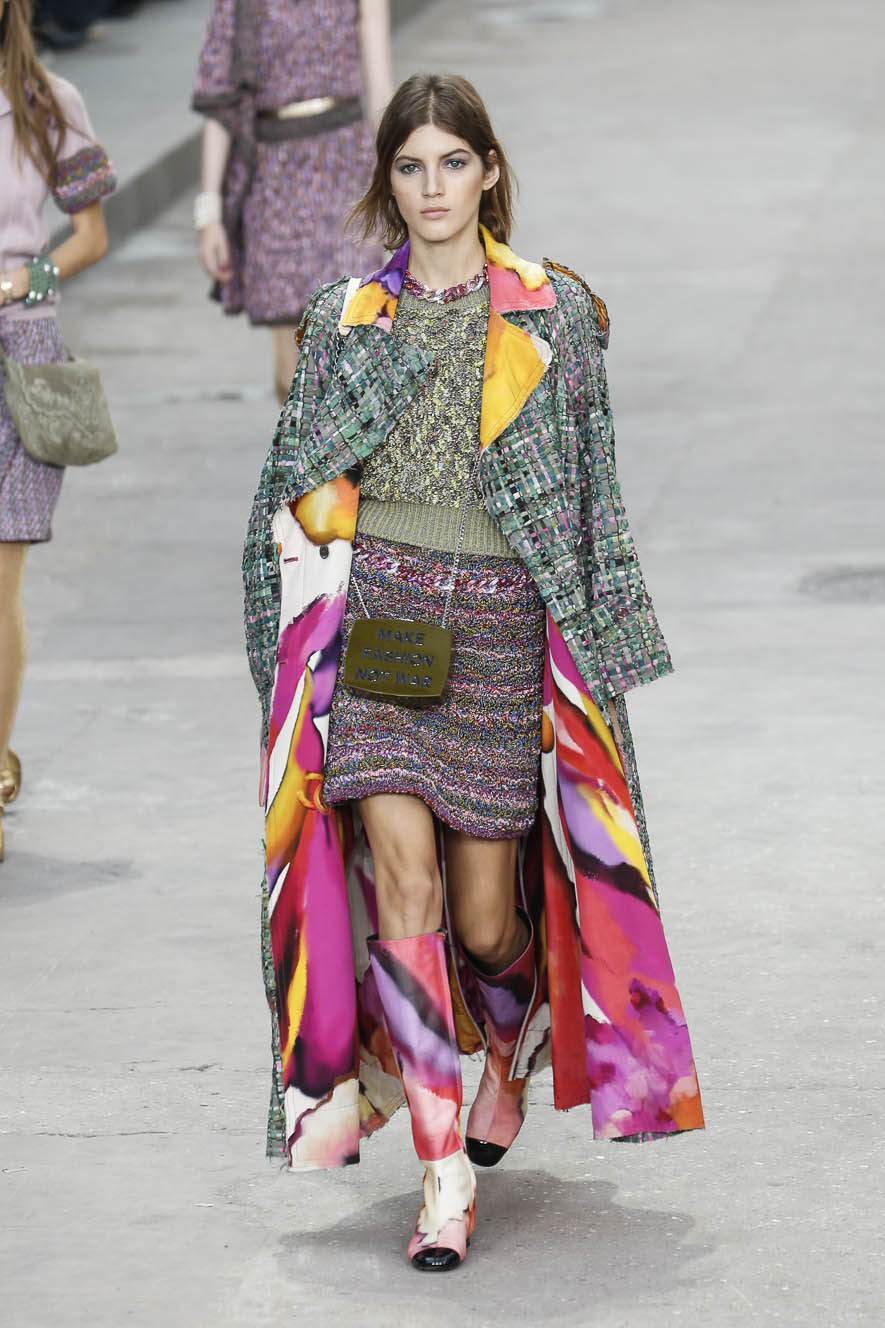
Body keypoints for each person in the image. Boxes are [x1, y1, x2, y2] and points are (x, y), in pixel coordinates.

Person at [242, 73, 705, 1271]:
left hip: (499, 631)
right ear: (387, 181)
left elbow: (593, 497)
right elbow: (289, 487)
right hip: (383, 629)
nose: (433, 187)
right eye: (411, 166)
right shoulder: (349, 316)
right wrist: (282, 664)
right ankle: (442, 1174)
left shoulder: (555, 312)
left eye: (454, 162)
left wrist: (598, 663)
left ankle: (512, 1030)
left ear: (489, 171)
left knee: (489, 915)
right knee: (403, 879)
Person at [0, 0, 115, 861]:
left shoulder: (49, 101)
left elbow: (90, 235)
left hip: (23, 356)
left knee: (1, 574)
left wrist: (21, 281)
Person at [191, 0, 393, 404]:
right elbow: (221, 104)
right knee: (292, 371)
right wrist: (209, 212)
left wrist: (394, 180)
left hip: (345, 166)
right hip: (274, 178)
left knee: (355, 338)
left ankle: (346, 443)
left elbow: (380, 89)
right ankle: (305, 442)